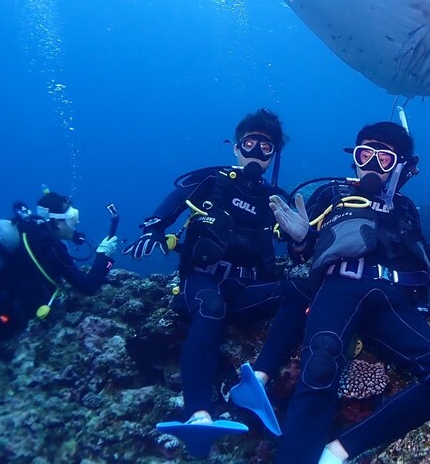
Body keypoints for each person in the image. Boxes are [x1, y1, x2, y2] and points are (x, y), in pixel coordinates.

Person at [123, 109, 311, 454]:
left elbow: (300, 255)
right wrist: (153, 227)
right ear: (236, 147)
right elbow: (175, 201)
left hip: (246, 290)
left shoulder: (275, 199)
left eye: (266, 147)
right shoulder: (211, 181)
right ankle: (197, 414)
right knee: (211, 308)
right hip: (203, 282)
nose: (256, 152)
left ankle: (257, 382)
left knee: (300, 289)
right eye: (250, 143)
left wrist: (301, 239)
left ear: (273, 156)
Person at [268, 120, 430, 464]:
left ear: (400, 167)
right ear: (353, 157)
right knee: (319, 367)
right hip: (339, 286)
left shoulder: (406, 207)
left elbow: (416, 262)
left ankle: (339, 450)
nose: (371, 165)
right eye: (365, 154)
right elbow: (305, 252)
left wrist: (422, 307)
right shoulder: (332, 194)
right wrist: (299, 239)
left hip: (391, 298)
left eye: (384, 159)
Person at [0, 191, 117, 383]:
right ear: (57, 221)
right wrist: (104, 256)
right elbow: (87, 286)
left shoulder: (29, 231)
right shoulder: (49, 246)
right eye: (73, 219)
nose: (77, 224)